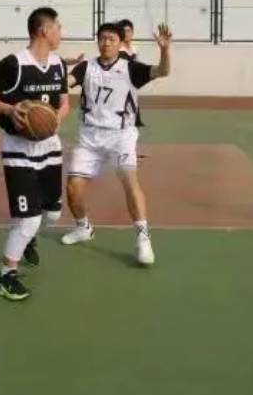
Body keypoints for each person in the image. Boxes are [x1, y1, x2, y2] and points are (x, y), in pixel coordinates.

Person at [61, 22, 172, 265]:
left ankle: (143, 238)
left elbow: (162, 71)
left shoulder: (131, 68)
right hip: (89, 136)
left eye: (111, 39)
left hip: (120, 136)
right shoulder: (86, 67)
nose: (106, 43)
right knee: (73, 188)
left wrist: (164, 50)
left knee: (130, 182)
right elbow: (64, 83)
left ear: (121, 43)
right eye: (102, 38)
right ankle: (83, 227)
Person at [0, 7, 70, 301]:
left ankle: (27, 239)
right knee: (28, 219)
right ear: (45, 30)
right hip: (19, 149)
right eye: (58, 27)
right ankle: (5, 276)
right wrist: (10, 110)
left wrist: (54, 119)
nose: (60, 32)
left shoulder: (58, 64)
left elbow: (64, 103)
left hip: (50, 147)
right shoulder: (13, 64)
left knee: (52, 214)